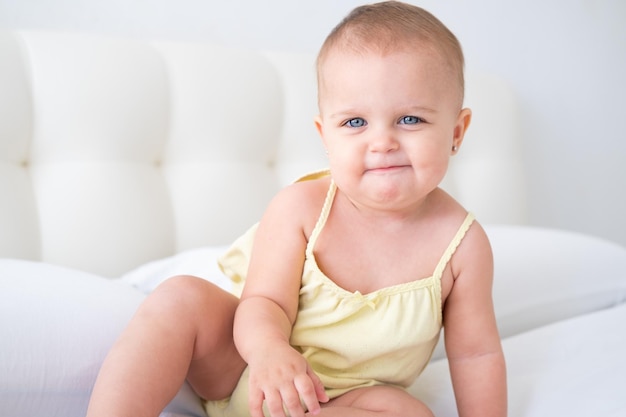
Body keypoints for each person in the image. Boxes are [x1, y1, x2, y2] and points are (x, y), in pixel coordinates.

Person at [86, 2, 507, 417]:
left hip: (350, 397)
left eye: (410, 119)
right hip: (246, 369)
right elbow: (263, 302)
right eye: (355, 123)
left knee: (409, 414)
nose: (382, 143)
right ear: (326, 136)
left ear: (456, 131)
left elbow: (476, 354)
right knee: (180, 297)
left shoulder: (463, 247)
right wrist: (270, 353)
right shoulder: (302, 209)